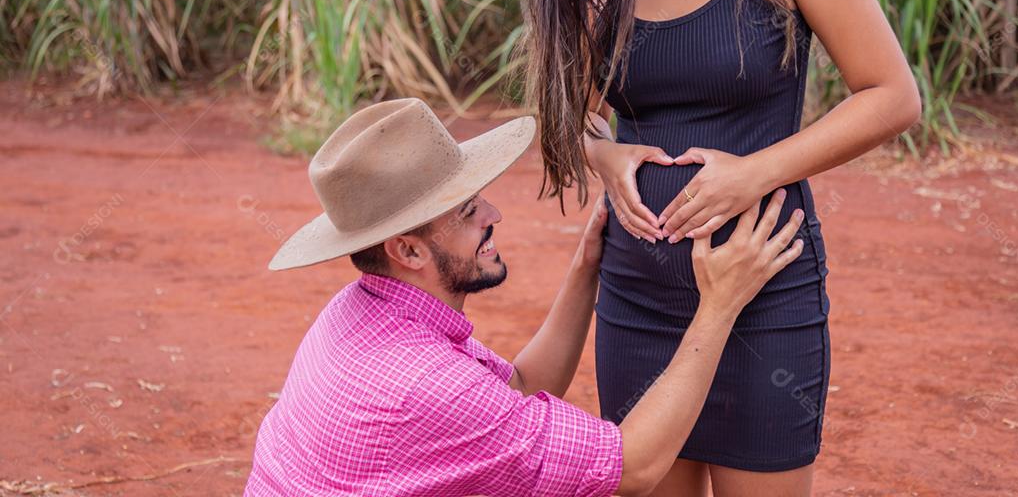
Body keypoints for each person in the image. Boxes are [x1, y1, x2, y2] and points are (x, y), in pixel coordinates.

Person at [517, 0, 922, 494]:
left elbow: (892, 96)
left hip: (764, 290)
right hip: (636, 301)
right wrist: (603, 153)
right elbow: (565, 115)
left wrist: (753, 173)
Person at [244, 97, 806, 496]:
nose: (494, 215)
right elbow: (633, 469)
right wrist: (720, 305)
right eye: (469, 213)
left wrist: (587, 267)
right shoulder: (430, 385)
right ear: (407, 251)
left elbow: (519, 388)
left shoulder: (357, 314)